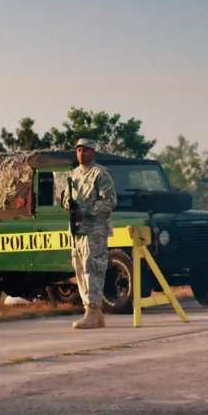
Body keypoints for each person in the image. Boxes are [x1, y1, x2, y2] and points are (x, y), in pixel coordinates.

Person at [63, 138, 117, 329]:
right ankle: (94, 312)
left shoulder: (100, 174)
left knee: (92, 269)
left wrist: (85, 210)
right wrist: (68, 205)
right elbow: (64, 199)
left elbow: (109, 202)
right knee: (79, 268)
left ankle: (93, 311)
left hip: (95, 230)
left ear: (93, 152)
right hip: (77, 229)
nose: (81, 153)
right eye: (78, 150)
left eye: (85, 150)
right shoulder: (73, 175)